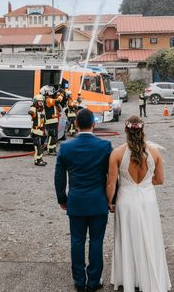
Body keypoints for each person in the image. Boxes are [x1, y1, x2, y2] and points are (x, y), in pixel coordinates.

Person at [107, 116, 171, 292]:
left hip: (125, 201)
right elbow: (159, 180)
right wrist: (144, 184)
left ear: (126, 130)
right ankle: (148, 277)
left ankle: (128, 278)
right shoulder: (155, 153)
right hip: (148, 200)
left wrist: (109, 202)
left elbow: (111, 184)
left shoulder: (117, 153)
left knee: (127, 238)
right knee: (149, 237)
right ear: (142, 130)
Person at [55, 108, 113, 292]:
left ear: (76, 124)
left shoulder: (65, 147)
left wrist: (62, 198)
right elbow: (112, 177)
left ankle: (79, 281)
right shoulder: (105, 146)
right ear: (94, 125)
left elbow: (59, 177)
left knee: (77, 241)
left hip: (76, 201)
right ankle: (94, 281)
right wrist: (112, 200)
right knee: (96, 241)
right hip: (98, 201)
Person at [29, 94, 47, 166]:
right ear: (36, 101)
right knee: (38, 147)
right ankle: (37, 161)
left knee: (41, 147)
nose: (41, 103)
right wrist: (32, 112)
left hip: (41, 131)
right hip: (36, 131)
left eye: (41, 101)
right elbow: (31, 112)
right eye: (39, 101)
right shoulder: (34, 108)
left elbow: (43, 120)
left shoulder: (42, 109)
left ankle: (40, 159)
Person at [43, 85, 62, 155]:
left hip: (54, 121)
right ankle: (50, 150)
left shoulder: (49, 99)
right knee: (52, 135)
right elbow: (57, 101)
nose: (52, 92)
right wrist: (61, 95)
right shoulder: (47, 100)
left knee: (54, 136)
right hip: (50, 122)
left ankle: (53, 149)